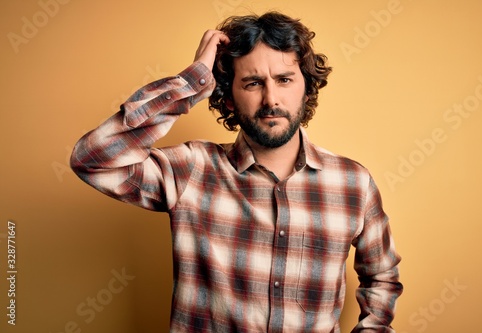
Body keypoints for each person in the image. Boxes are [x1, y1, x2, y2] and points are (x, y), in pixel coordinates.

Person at [70, 11, 403, 332]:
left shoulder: (352, 184)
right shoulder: (191, 170)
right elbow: (93, 158)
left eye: (285, 80)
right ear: (228, 97)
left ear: (306, 87)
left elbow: (383, 276)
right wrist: (193, 81)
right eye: (253, 83)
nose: (271, 99)